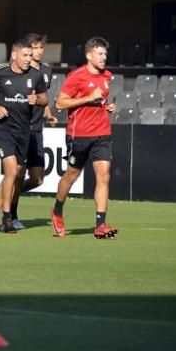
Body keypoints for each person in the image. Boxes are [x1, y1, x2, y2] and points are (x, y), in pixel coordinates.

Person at [0, 39, 48, 234]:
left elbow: (45, 98)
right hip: (2, 129)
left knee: (17, 173)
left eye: (30, 56)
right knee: (11, 170)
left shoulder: (36, 75)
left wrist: (38, 99)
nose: (28, 59)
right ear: (14, 55)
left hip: (23, 131)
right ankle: (7, 218)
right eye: (25, 55)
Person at [50, 37, 118, 240]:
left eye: (105, 54)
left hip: (102, 133)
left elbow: (100, 100)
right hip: (78, 135)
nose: (104, 57)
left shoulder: (107, 76)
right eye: (99, 53)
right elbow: (60, 104)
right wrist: (89, 98)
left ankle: (100, 224)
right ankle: (57, 210)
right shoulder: (76, 76)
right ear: (89, 55)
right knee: (71, 176)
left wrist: (107, 107)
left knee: (104, 175)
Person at [16, 32, 58, 228]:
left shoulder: (47, 71)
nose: (38, 51)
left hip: (37, 128)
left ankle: (6, 195)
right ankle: (11, 215)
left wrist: (48, 113)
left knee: (37, 179)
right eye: (34, 48)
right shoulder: (18, 70)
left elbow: (44, 97)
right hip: (20, 128)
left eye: (41, 48)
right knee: (16, 174)